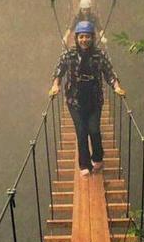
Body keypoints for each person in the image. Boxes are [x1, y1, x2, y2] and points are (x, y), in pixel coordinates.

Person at [49, 20, 125, 178]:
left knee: (94, 130)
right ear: (76, 38)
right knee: (82, 132)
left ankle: (97, 157)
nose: (85, 40)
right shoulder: (68, 54)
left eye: (88, 37)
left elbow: (109, 73)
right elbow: (59, 71)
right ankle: (84, 164)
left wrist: (116, 87)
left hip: (94, 99)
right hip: (74, 101)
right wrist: (55, 86)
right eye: (82, 37)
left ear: (93, 38)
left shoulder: (99, 55)